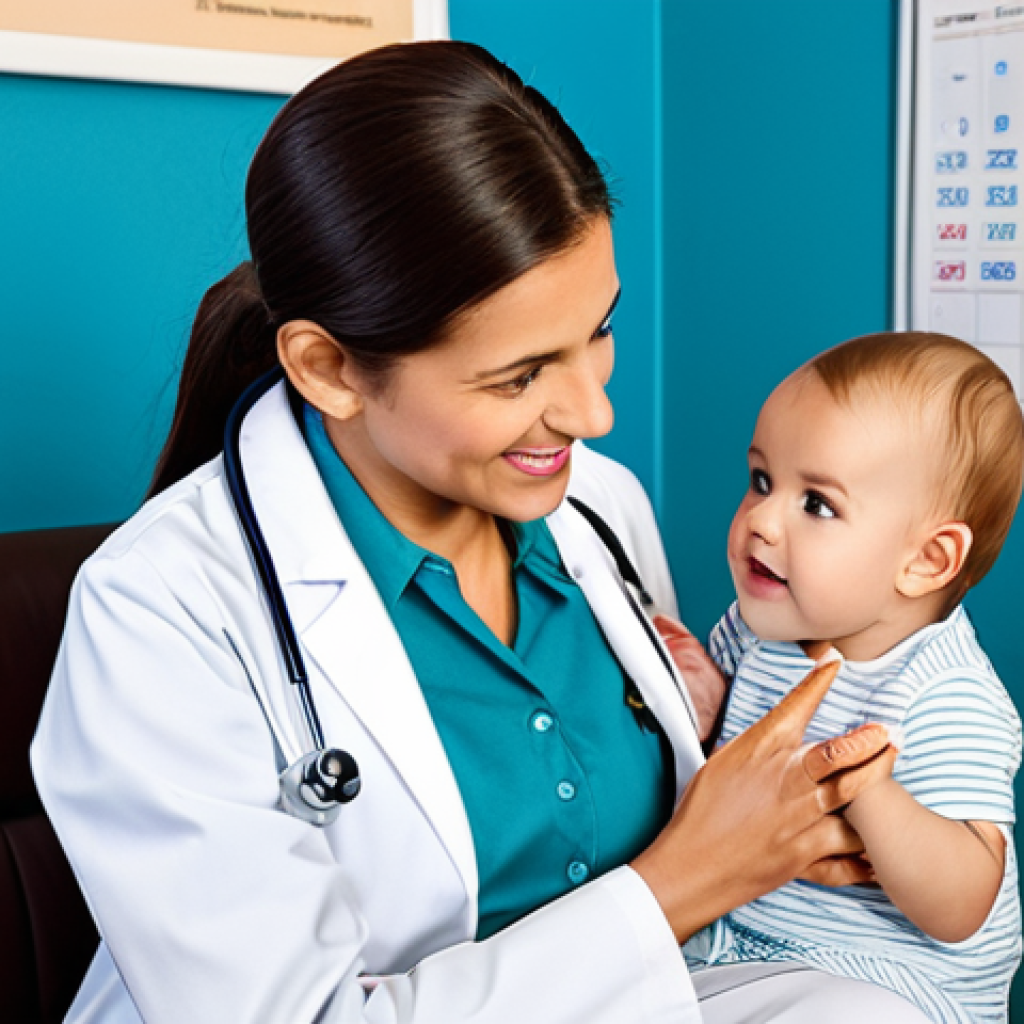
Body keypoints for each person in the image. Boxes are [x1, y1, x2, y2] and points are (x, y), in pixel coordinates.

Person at [32, 42, 922, 1024]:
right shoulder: (160, 609)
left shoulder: (600, 510)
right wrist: (686, 879)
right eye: (518, 377)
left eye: (599, 333)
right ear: (329, 368)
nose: (592, 414)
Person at [673, 332, 1023, 1023]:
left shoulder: (947, 692)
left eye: (818, 505)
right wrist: (709, 696)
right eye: (761, 480)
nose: (761, 521)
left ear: (926, 560)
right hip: (735, 945)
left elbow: (961, 904)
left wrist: (872, 795)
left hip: (892, 977)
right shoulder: (763, 621)